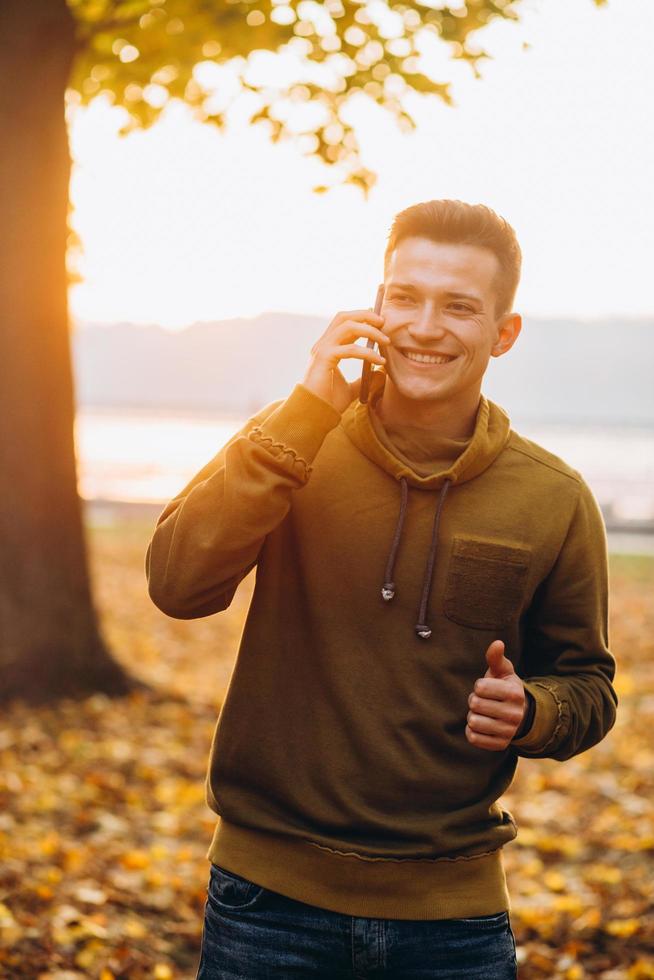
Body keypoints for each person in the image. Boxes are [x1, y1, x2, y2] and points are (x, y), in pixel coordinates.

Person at [145, 199, 618, 979]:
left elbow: (590, 686)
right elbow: (178, 583)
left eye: (459, 306)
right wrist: (305, 412)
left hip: (453, 921)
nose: (425, 327)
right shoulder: (290, 437)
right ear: (376, 304)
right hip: (267, 904)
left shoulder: (554, 497)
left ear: (504, 333)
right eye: (406, 297)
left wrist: (534, 711)